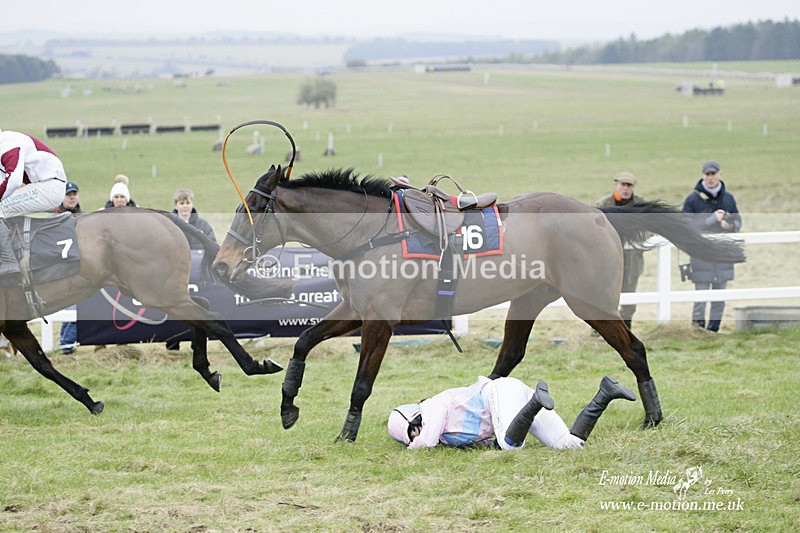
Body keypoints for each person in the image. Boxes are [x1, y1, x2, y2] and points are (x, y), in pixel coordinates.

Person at [388, 375, 635, 451]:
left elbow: (427, 441)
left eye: (413, 431)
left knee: (510, 445)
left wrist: (412, 447)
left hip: (501, 392)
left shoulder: (432, 407)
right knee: (568, 445)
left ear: (413, 417)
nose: (416, 435)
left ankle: (536, 403)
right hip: (512, 399)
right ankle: (605, 393)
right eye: (411, 436)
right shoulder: (446, 434)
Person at [0, 130, 69, 282]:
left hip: (50, 187)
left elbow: (13, 181)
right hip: (44, 185)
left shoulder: (8, 145)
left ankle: (8, 262)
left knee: (1, 208)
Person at [681, 161, 742, 332]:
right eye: (707, 174)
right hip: (701, 256)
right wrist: (711, 220)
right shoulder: (692, 200)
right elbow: (685, 226)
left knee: (720, 297)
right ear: (703, 175)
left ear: (720, 174)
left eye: (713, 174)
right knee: (700, 296)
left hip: (723, 255)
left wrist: (730, 225)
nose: (710, 178)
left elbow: (738, 221)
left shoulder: (728, 198)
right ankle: (698, 330)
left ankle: (714, 330)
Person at [166, 188, 216, 350]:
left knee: (198, 309)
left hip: (197, 276)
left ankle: (198, 344)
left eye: (188, 202)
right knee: (175, 309)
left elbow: (211, 244)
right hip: (174, 276)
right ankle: (173, 344)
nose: (185, 206)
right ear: (176, 205)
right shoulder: (168, 225)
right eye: (182, 203)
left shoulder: (202, 225)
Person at [596, 171, 647, 329]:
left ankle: (626, 327)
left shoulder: (640, 204)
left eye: (629, 185)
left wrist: (634, 237)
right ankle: (599, 328)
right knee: (603, 294)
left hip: (632, 260)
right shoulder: (603, 204)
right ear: (616, 185)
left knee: (629, 295)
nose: (626, 188)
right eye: (623, 185)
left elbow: (648, 228)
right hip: (606, 261)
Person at [55, 182, 82, 354]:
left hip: (81, 268)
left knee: (75, 308)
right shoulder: (54, 217)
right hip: (62, 269)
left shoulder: (84, 216)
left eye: (74, 194)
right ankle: (66, 344)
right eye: (68, 195)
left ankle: (66, 344)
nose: (72, 197)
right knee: (72, 308)